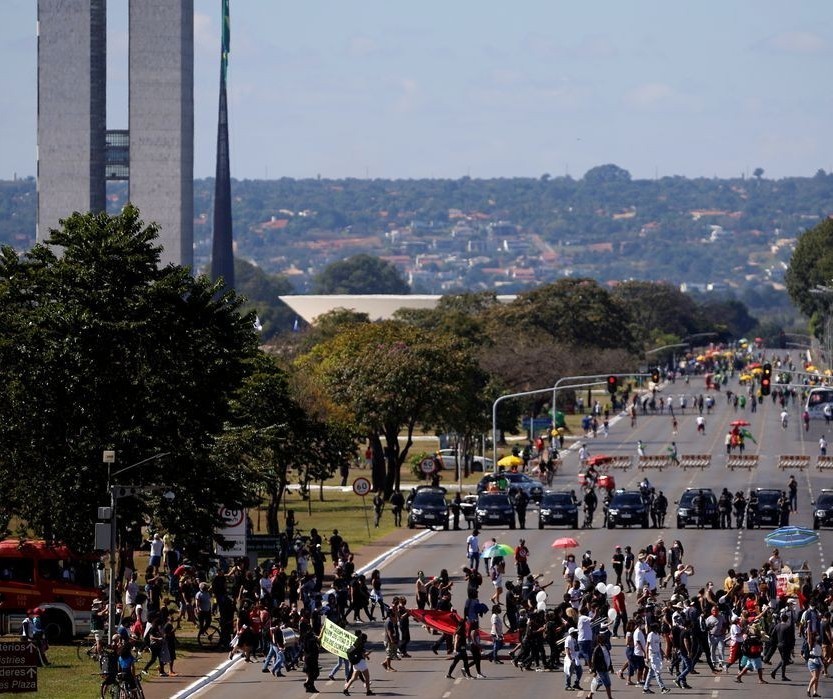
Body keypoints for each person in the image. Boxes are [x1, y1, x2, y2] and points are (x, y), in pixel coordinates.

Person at [344, 630, 374, 696]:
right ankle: (368, 691)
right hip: (361, 663)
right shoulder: (360, 646)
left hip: (355, 664)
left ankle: (346, 690)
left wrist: (366, 655)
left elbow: (360, 654)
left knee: (353, 678)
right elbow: (363, 655)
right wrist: (369, 652)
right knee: (367, 677)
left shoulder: (355, 645)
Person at [588, 632, 614, 699]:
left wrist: (611, 666)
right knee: (608, 684)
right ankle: (610, 697)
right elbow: (593, 660)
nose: (604, 639)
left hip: (606, 668)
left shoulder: (606, 647)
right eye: (602, 638)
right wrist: (594, 671)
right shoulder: (597, 649)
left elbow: (608, 657)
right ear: (599, 640)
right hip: (601, 669)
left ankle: (589, 695)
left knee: (599, 683)